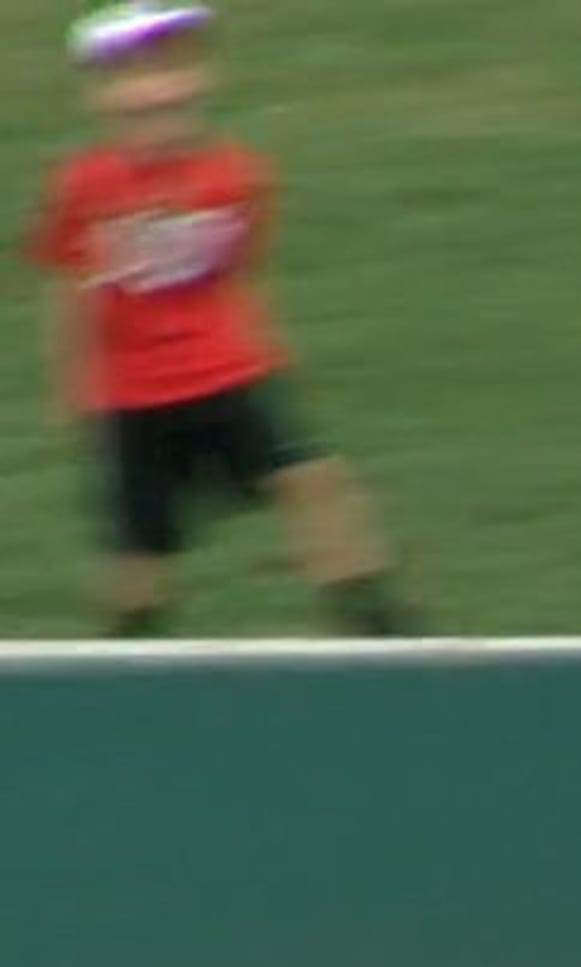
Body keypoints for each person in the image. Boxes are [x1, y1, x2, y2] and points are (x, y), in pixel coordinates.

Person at [27, 1, 416, 638]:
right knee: (140, 551)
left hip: (227, 375)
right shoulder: (85, 187)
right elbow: (71, 291)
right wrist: (72, 389)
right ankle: (126, 654)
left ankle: (379, 629)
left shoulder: (235, 176)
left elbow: (237, 275)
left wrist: (258, 352)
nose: (166, 111)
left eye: (178, 90)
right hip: (135, 396)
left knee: (314, 482)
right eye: (144, 96)